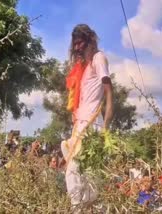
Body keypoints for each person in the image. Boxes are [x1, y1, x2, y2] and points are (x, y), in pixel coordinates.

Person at [61, 24, 113, 210]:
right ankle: (84, 208)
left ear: (90, 40)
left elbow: (108, 92)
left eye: (80, 43)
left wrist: (105, 126)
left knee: (78, 171)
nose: (76, 48)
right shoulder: (83, 66)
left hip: (91, 124)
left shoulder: (99, 58)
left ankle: (80, 208)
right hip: (80, 123)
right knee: (79, 172)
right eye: (74, 44)